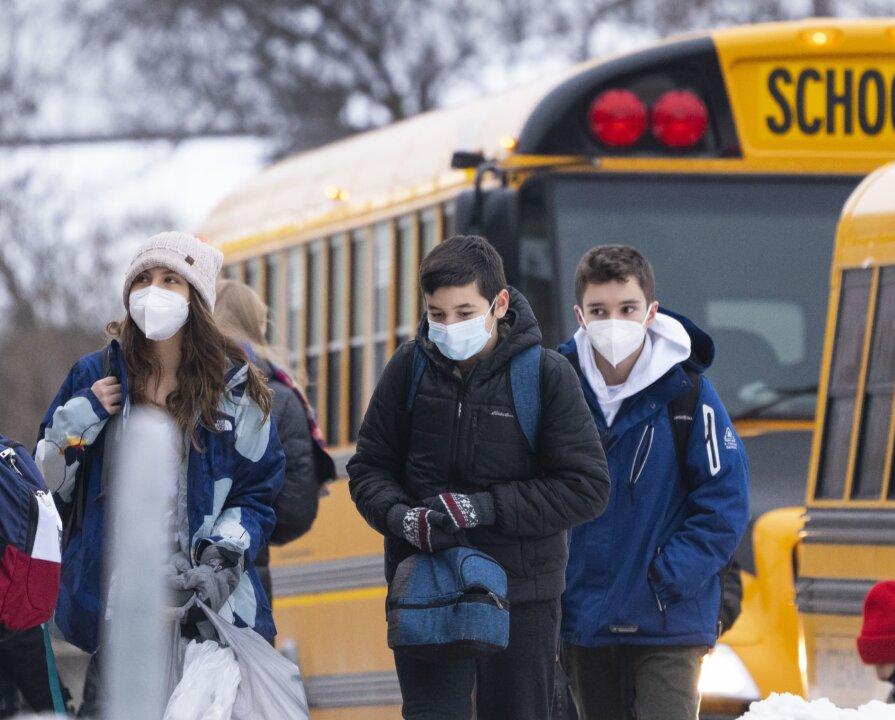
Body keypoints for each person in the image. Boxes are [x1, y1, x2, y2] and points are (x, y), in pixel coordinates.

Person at [348, 235, 610, 720]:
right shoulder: (408, 369)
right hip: (427, 591)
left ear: (500, 303)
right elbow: (368, 469)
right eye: (437, 314)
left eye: (464, 313)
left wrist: (483, 508)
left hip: (521, 597)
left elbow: (587, 487)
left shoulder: (545, 375)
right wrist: (402, 518)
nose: (449, 326)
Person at [34, 232, 285, 712]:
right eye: (143, 279)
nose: (155, 291)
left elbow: (258, 493)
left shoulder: (235, 388)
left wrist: (222, 556)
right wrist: (81, 417)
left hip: (213, 612)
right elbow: (46, 485)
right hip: (117, 608)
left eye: (172, 280)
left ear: (197, 298)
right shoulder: (95, 374)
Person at [557, 245, 750, 720]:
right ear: (580, 316)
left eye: (627, 308)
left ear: (651, 311)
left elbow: (724, 501)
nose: (614, 322)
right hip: (586, 618)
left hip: (669, 621)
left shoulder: (689, 392)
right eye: (600, 311)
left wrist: (666, 577)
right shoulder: (556, 388)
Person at [214, 279, 336, 602]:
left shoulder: (172, 385)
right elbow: (295, 509)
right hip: (245, 579)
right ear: (257, 324)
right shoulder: (281, 396)